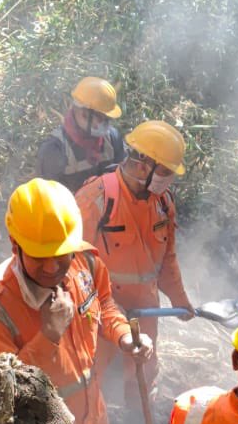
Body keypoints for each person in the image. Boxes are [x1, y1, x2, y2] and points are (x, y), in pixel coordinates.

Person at [0, 178, 152, 424]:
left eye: (61, 255)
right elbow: (1, 393)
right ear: (15, 244)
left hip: (94, 423)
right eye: (40, 257)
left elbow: (104, 304)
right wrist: (48, 337)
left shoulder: (85, 263)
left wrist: (123, 334)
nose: (53, 267)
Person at [74, 120, 193, 407]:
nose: (168, 180)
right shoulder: (96, 199)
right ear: (143, 164)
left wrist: (180, 300)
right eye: (164, 170)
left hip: (145, 311)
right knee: (91, 378)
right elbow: (74, 267)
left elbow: (167, 260)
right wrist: (100, 307)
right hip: (100, 311)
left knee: (141, 375)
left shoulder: (163, 202)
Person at [37, 76, 127, 192]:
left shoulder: (113, 138)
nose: (104, 123)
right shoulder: (55, 149)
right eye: (100, 117)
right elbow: (47, 199)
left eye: (107, 118)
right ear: (83, 114)